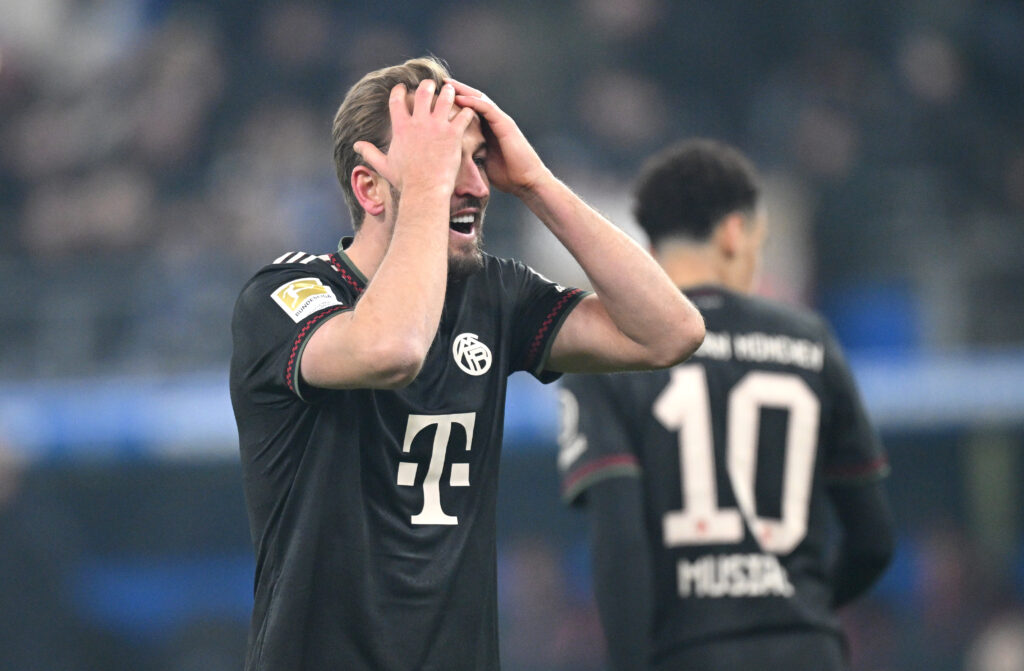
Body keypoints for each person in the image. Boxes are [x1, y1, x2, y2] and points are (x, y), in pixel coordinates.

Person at [228, 57, 705, 671]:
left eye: (478, 159)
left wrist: (536, 184)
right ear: (370, 189)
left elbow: (670, 333)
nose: (478, 186)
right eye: (443, 160)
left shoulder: (493, 293)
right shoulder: (286, 295)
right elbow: (392, 349)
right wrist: (430, 191)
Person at [558, 138, 896, 670]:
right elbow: (873, 542)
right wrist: (798, 610)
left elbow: (620, 545)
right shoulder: (810, 341)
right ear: (735, 233)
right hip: (807, 651)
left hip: (690, 652)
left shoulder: (613, 353)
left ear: (650, 244)